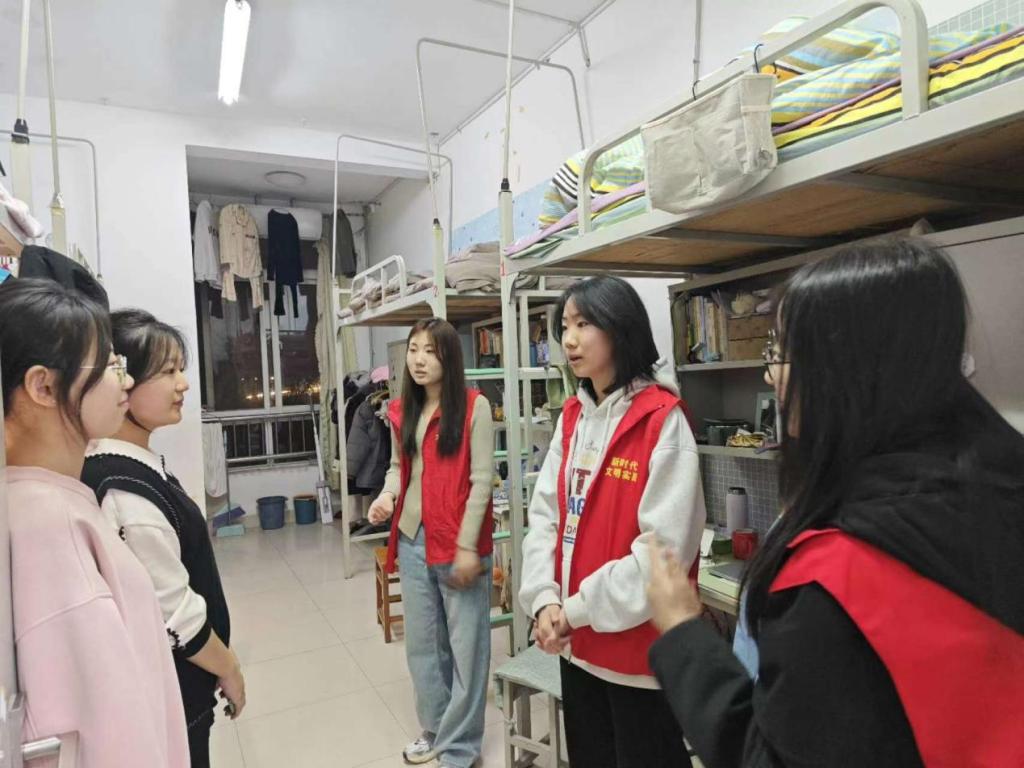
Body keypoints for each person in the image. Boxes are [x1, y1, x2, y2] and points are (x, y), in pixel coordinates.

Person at [647, 238, 1024, 767]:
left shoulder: (836, 578)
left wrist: (683, 631)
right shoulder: (993, 491)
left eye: (779, 353)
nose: (769, 375)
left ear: (842, 371)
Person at [0, 279, 189, 768]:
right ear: (43, 386)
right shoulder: (52, 530)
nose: (124, 381)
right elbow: (108, 733)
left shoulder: (50, 499)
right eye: (109, 365)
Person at [519, 276, 706, 768]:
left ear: (620, 328)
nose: (569, 340)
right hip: (577, 647)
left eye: (584, 324)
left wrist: (573, 611)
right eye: (564, 326)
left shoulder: (662, 420)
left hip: (640, 659)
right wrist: (544, 600)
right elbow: (546, 516)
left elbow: (661, 555)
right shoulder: (572, 418)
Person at [80, 309, 243, 768]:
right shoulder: (124, 490)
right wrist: (229, 668)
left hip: (178, 685)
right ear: (122, 383)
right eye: (168, 372)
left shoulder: (131, 463)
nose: (183, 384)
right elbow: (175, 613)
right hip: (173, 690)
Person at [366, 317, 494, 768]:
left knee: (467, 651)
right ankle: (437, 730)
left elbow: (482, 482)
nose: (419, 360)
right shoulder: (403, 409)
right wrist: (386, 498)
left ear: (449, 357)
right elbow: (398, 469)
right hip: (413, 538)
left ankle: (461, 747)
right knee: (422, 647)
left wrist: (467, 547)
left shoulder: (475, 407)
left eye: (430, 351)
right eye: (413, 350)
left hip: (459, 543)